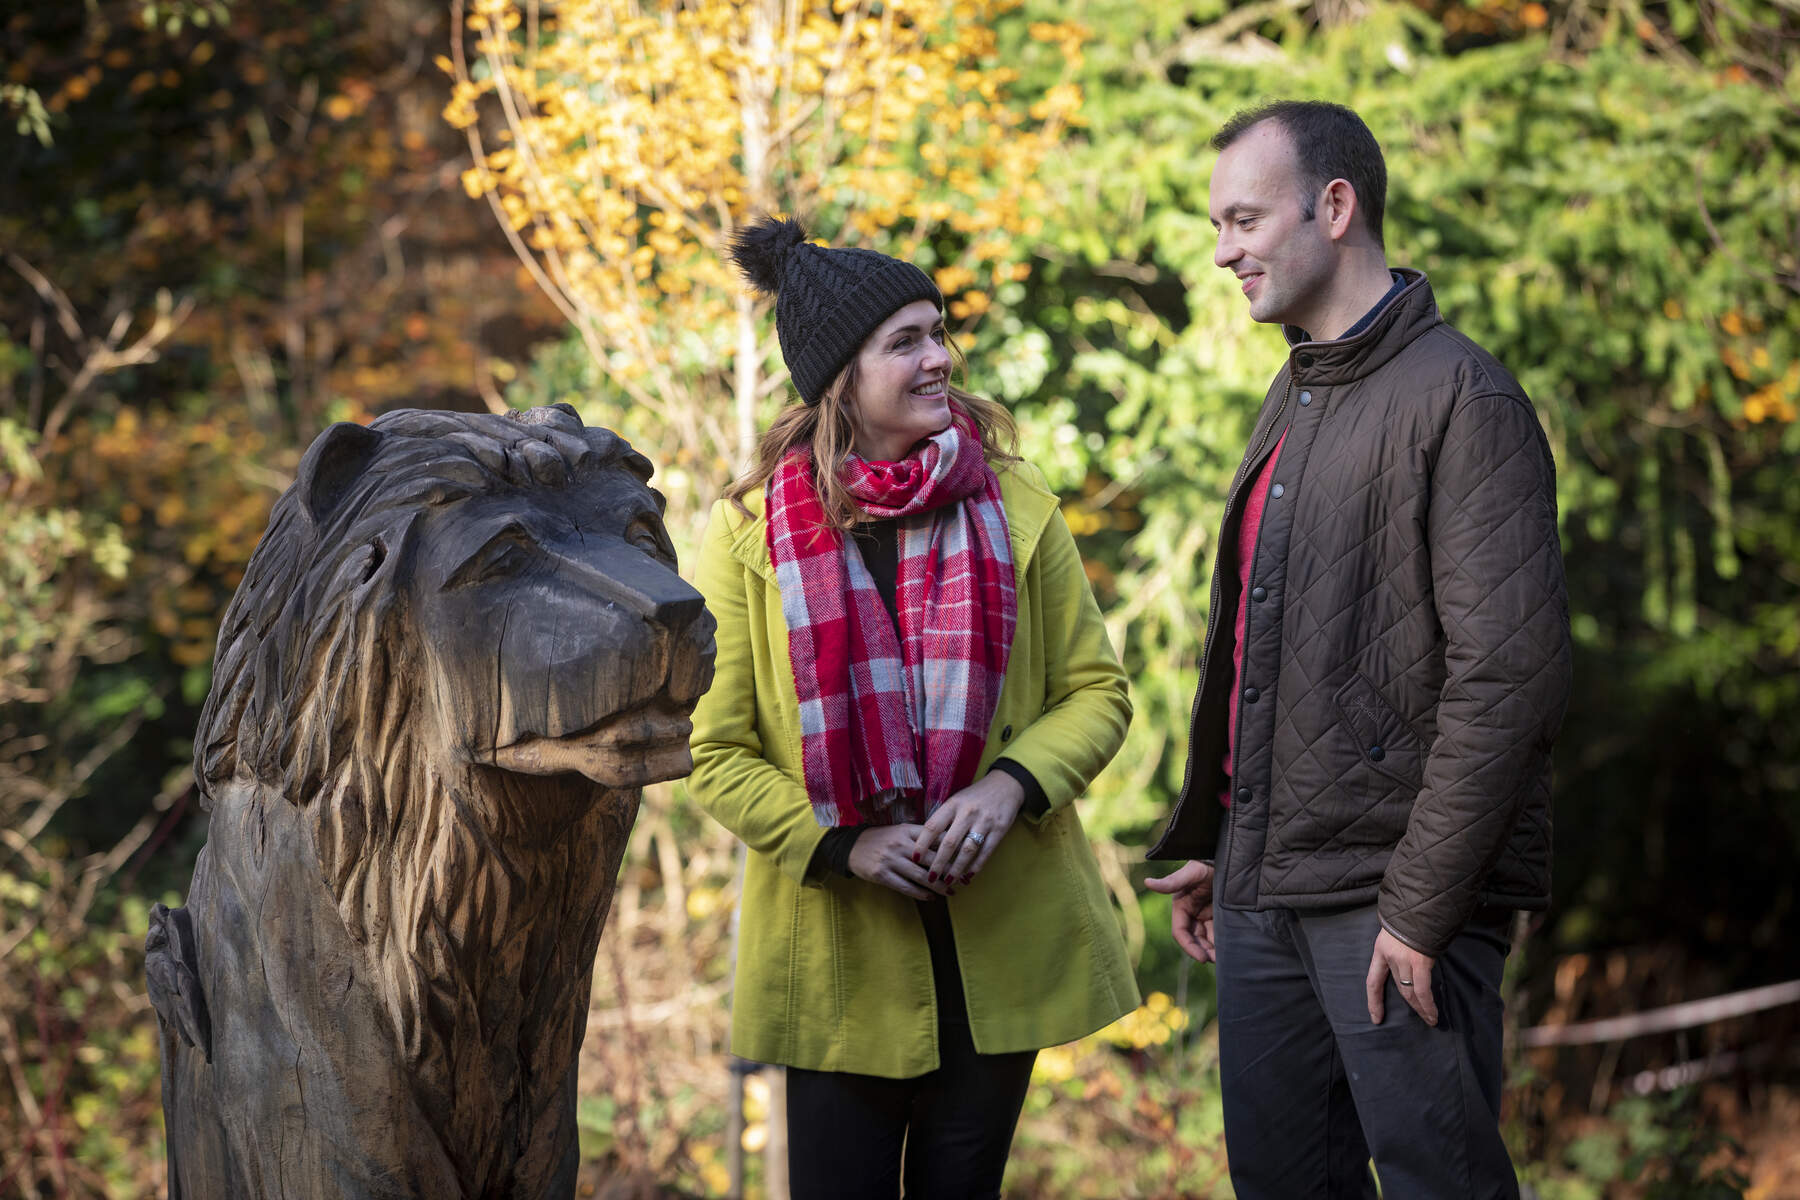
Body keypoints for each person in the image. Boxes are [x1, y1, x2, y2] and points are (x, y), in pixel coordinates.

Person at [1144, 101, 1572, 1198]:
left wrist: (1421, 908)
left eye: (1244, 219)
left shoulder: (1463, 398)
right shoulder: (1296, 390)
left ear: (1334, 207)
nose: (1224, 249)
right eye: (1217, 224)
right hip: (1264, 891)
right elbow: (1276, 648)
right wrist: (1229, 834)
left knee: (1444, 1185)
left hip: (1395, 907)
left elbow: (1508, 678)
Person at [688, 215, 1139, 1199]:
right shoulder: (742, 534)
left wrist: (1007, 791)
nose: (940, 358)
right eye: (908, 341)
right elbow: (711, 751)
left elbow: (1097, 694)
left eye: (940, 332)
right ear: (840, 376)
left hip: (996, 947)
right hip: (838, 953)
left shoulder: (1014, 498)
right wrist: (848, 845)